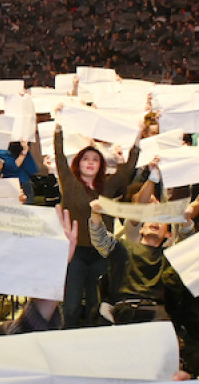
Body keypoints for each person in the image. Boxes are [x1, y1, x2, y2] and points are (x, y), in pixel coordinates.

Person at [53, 128, 140, 327]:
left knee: (96, 303)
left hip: (101, 252)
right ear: (78, 163)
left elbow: (127, 170)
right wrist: (58, 128)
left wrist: (137, 137)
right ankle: (66, 339)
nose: (90, 162)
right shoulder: (70, 182)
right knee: (72, 305)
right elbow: (59, 156)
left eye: (95, 159)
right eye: (86, 159)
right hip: (75, 252)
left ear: (101, 165)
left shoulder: (107, 187)